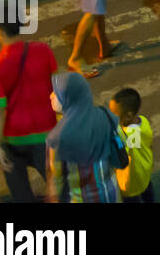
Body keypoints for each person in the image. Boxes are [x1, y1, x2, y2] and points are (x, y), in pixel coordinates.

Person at [0, 16, 58, 202]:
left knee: (21, 192)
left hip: (14, 139)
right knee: (57, 186)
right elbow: (57, 87)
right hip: (47, 134)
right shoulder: (43, 50)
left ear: (0, 33)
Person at [44, 73, 124, 203]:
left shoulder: (57, 138)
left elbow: (57, 179)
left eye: (56, 93)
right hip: (111, 194)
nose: (51, 95)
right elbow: (121, 143)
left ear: (70, 98)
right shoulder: (106, 116)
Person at [109, 88, 154, 202]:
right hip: (145, 170)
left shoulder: (128, 135)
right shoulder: (143, 121)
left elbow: (123, 153)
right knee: (148, 191)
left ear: (128, 116)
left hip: (131, 180)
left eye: (113, 114)